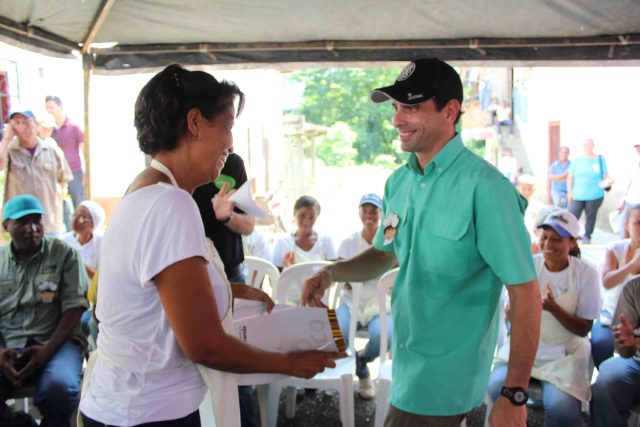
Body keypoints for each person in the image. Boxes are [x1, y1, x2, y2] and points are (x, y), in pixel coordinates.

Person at [78, 64, 341, 426]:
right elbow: (203, 345)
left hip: (122, 404)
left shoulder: (141, 190)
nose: (231, 143)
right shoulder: (172, 203)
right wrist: (289, 363)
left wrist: (229, 290)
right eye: (228, 126)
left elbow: (150, 296)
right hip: (145, 413)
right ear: (195, 123)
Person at [302, 57, 541, 427]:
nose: (398, 119)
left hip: (448, 377)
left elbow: (525, 292)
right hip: (406, 363)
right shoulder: (400, 182)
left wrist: (514, 394)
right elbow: (385, 253)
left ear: (450, 111)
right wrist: (331, 273)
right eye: (397, 107)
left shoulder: (487, 189)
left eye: (412, 107)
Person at [488, 210, 600, 427]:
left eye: (557, 239)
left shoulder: (586, 274)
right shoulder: (528, 265)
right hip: (525, 347)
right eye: (544, 237)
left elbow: (583, 329)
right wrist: (513, 311)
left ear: (572, 243)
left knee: (561, 408)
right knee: (496, 387)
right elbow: (510, 313)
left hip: (565, 353)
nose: (548, 244)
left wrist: (553, 308)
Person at [0, 194, 89, 425]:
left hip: (57, 343)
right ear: (6, 225)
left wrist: (46, 351)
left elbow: (75, 308)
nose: (32, 228)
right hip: (9, 343)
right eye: (23, 222)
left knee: (59, 389)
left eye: (37, 221)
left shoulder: (64, 254)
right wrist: (0, 351)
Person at [192, 152, 258, 427]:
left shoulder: (234, 164)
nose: (228, 139)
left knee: (241, 364)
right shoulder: (183, 166)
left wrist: (226, 215)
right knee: (195, 366)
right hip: (191, 279)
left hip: (231, 276)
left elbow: (249, 225)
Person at [336, 192, 392, 400]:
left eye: (374, 210)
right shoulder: (349, 242)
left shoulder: (389, 240)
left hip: (380, 302)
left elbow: (394, 270)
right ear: (359, 213)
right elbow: (344, 276)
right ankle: (356, 374)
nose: (369, 215)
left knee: (385, 336)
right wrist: (371, 270)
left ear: (381, 213)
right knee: (334, 330)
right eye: (365, 210)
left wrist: (359, 270)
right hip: (350, 302)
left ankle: (362, 360)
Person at [0, 109, 73, 235]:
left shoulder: (51, 150)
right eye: (17, 123)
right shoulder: (10, 151)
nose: (23, 127)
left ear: (36, 124)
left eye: (27, 122)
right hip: (21, 226)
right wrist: (6, 138)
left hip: (49, 223)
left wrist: (55, 200)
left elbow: (63, 179)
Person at [591, 203, 640, 368]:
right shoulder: (615, 249)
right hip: (611, 314)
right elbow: (606, 281)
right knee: (601, 343)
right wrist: (631, 265)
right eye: (638, 223)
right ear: (626, 226)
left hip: (636, 321)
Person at [591, 276, 640, 426]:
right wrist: (625, 342)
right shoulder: (633, 287)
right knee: (606, 383)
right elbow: (624, 351)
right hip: (637, 361)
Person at [272, 195, 338, 270]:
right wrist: (288, 266)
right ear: (294, 214)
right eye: (302, 216)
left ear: (317, 216)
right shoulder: (283, 243)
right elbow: (275, 277)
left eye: (311, 217)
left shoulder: (326, 241)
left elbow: (334, 273)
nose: (306, 222)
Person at [567, 138, 613, 244]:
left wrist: (609, 180)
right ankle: (570, 235)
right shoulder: (578, 160)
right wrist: (570, 192)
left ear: (593, 145)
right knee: (572, 215)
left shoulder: (600, 159)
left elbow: (605, 174)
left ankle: (587, 236)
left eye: (589, 144)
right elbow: (570, 177)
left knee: (591, 216)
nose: (587, 147)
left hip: (595, 195)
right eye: (585, 145)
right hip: (578, 194)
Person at [45, 96, 86, 213]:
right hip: (56, 174)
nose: (49, 110)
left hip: (75, 172)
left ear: (60, 107)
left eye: (51, 107)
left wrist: (85, 174)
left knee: (79, 206)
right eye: (47, 108)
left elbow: (84, 151)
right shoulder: (48, 130)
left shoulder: (74, 128)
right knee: (61, 208)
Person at [60, 200, 106, 279]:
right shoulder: (64, 241)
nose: (75, 220)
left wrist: (80, 264)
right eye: (75, 215)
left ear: (93, 224)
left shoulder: (101, 243)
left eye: (81, 218)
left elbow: (101, 279)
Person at [615, 143, 640, 237]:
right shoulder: (633, 164)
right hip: (630, 201)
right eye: (637, 149)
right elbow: (628, 183)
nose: (638, 151)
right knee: (625, 228)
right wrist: (622, 200)